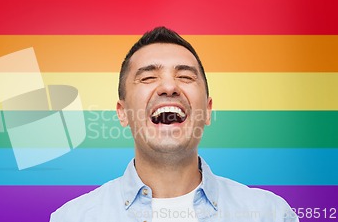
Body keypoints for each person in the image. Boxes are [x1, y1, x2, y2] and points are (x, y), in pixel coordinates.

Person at [50, 26, 298, 222]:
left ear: (207, 111)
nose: (169, 87)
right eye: (148, 77)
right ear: (123, 113)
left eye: (185, 76)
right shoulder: (73, 218)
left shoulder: (271, 214)